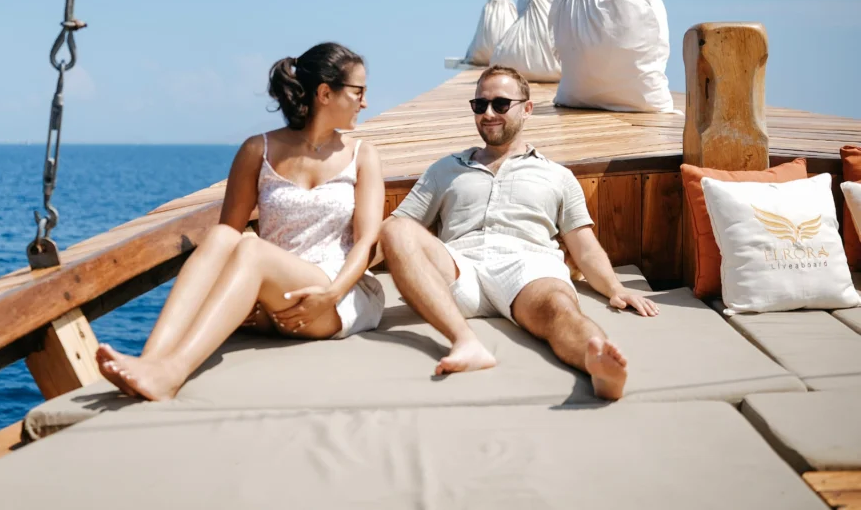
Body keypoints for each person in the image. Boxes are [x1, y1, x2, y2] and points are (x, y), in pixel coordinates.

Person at [97, 42, 385, 401]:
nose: (365, 102)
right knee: (221, 236)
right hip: (273, 298)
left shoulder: (362, 156)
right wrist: (246, 298)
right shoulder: (257, 150)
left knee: (251, 250)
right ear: (325, 93)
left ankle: (172, 374)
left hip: (335, 294)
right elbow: (227, 242)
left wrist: (331, 294)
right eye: (359, 92)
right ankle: (150, 362)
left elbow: (367, 242)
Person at [379, 65, 658, 400]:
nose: (488, 114)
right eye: (480, 105)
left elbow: (584, 248)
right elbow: (397, 227)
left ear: (527, 109)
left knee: (558, 306)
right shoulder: (444, 170)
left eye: (500, 104)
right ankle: (465, 342)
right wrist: (343, 280)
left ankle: (598, 363)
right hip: (460, 270)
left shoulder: (557, 176)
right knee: (397, 229)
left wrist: (615, 288)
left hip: (526, 268)